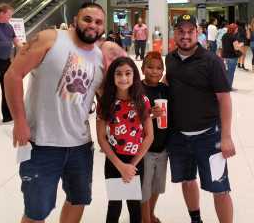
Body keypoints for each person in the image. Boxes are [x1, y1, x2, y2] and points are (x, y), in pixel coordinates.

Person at [4, 2, 105, 223]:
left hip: (80, 145)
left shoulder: (99, 57)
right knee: (36, 210)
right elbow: (12, 76)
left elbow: (104, 98)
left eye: (98, 22)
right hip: (42, 144)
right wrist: (20, 122)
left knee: (78, 199)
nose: (92, 26)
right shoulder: (50, 38)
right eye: (87, 19)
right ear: (76, 20)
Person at [166, 14, 235, 223]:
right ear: (175, 34)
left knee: (220, 188)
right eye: (181, 31)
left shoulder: (211, 61)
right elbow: (167, 85)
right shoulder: (170, 58)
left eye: (190, 31)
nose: (185, 36)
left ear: (197, 33)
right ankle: (195, 219)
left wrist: (226, 137)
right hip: (178, 136)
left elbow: (224, 99)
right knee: (187, 180)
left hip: (208, 136)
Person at [96, 57, 153, 223]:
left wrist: (131, 166)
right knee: (114, 206)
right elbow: (101, 138)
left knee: (134, 206)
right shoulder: (106, 102)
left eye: (128, 73)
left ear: (134, 76)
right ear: (112, 78)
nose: (123, 78)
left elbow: (149, 136)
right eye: (118, 74)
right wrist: (120, 166)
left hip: (136, 162)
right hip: (114, 161)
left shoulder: (142, 101)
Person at [141, 52, 168, 223]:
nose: (154, 71)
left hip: (162, 146)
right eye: (150, 67)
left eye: (159, 68)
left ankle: (150, 213)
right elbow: (130, 116)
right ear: (143, 69)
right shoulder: (137, 89)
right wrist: (148, 114)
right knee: (145, 187)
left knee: (157, 186)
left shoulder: (164, 89)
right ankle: (144, 219)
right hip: (144, 149)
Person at [222, 24, 243, 88]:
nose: (237, 30)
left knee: (226, 72)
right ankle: (229, 86)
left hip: (225, 56)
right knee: (231, 73)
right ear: (234, 29)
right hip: (232, 57)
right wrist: (241, 44)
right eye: (236, 29)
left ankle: (225, 85)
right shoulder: (233, 37)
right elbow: (236, 48)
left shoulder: (224, 36)